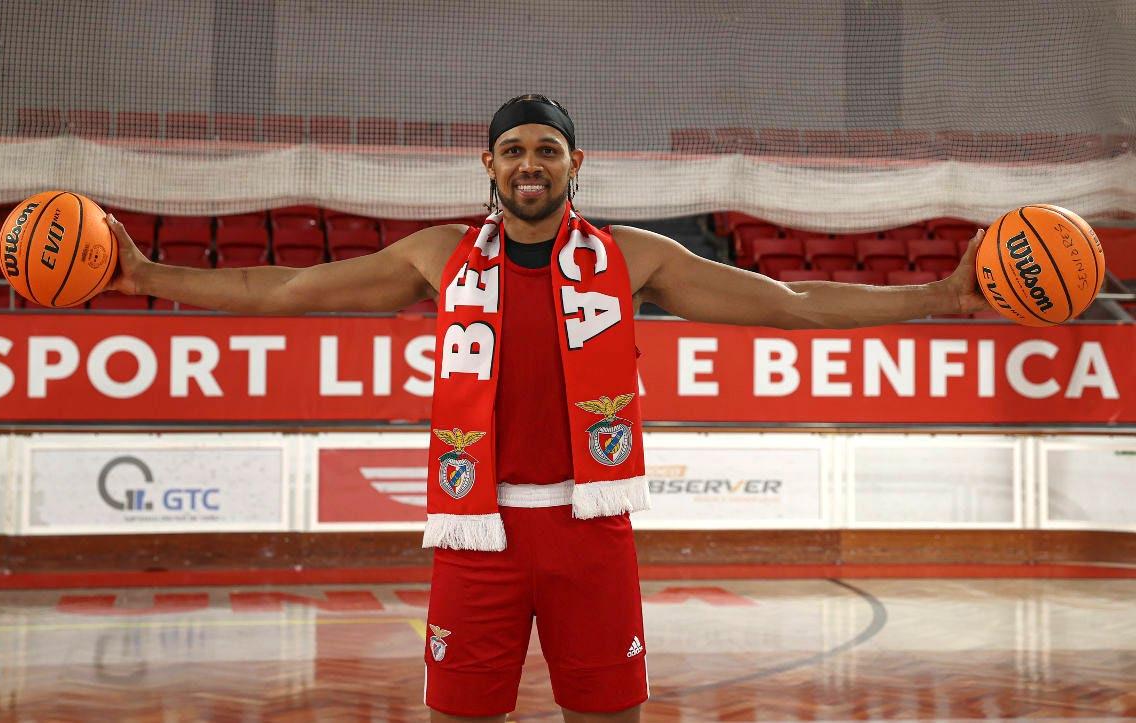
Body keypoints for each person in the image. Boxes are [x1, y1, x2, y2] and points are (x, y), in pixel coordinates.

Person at [104, 94, 991, 723]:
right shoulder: (436, 256)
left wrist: (940, 298)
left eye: (547, 149)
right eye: (514, 150)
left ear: (575, 164)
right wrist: (145, 275)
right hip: (475, 535)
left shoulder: (633, 258)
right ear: (489, 164)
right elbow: (284, 289)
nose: (530, 163)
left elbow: (790, 304)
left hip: (590, 531)